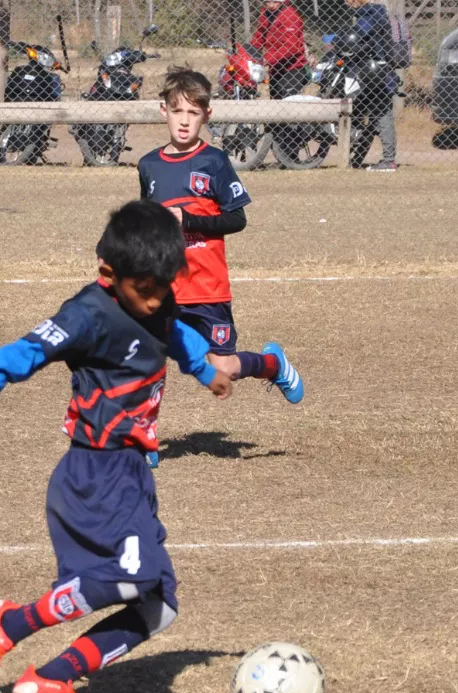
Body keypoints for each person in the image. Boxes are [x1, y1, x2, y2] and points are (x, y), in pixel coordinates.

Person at [0, 201, 233, 693]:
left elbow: (177, 334)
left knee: (159, 603)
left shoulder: (159, 303)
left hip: (133, 476)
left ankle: (53, 680)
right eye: (143, 289)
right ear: (109, 272)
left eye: (163, 288)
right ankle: (9, 623)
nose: (154, 301)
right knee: (130, 578)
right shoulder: (85, 315)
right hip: (93, 476)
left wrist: (203, 369)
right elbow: (17, 354)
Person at [138, 69, 305, 464]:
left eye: (193, 113)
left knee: (224, 369)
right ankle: (144, 438)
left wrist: (189, 220)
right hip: (165, 288)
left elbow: (236, 219)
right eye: (177, 111)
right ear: (163, 111)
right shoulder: (149, 165)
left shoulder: (214, 162)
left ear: (206, 116)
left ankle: (271, 363)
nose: (183, 120)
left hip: (208, 287)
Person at [345, 0, 399, 171]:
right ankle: (358, 159)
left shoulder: (367, 16)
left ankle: (389, 161)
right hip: (377, 74)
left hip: (374, 75)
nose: (345, 3)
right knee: (376, 116)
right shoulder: (375, 13)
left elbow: (358, 37)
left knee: (382, 116)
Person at [252, 0, 309, 101]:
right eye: (268, 2)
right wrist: (251, 52)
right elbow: (260, 36)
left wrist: (266, 59)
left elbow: (290, 47)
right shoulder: (266, 13)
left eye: (275, 2)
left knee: (289, 103)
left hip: (292, 68)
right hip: (275, 68)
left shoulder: (290, 15)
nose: (271, 5)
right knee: (276, 103)